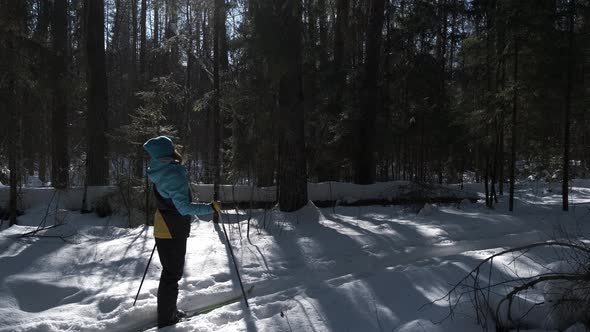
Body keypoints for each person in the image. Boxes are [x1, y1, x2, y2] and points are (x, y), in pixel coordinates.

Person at [143, 136, 222, 328]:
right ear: (168, 152)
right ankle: (167, 318)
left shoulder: (158, 170)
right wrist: (210, 207)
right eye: (172, 147)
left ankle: (169, 311)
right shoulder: (172, 174)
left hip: (164, 224)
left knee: (170, 272)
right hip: (172, 228)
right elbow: (184, 208)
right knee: (172, 274)